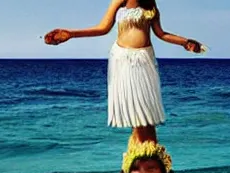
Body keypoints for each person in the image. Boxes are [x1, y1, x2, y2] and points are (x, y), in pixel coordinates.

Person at [44, 0, 205, 143]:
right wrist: (71, 34)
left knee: (146, 114)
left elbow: (161, 33)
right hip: (123, 58)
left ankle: (148, 159)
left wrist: (185, 42)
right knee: (137, 114)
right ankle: (141, 160)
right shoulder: (119, 0)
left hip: (144, 59)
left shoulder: (150, 3)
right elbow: (103, 28)